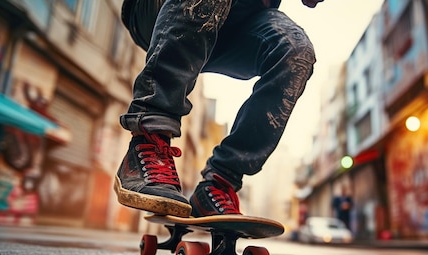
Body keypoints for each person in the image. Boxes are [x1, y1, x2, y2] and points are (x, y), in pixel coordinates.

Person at [115, 0, 323, 218]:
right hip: (156, 10)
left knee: (296, 49)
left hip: (239, 22)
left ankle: (220, 182)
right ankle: (148, 141)